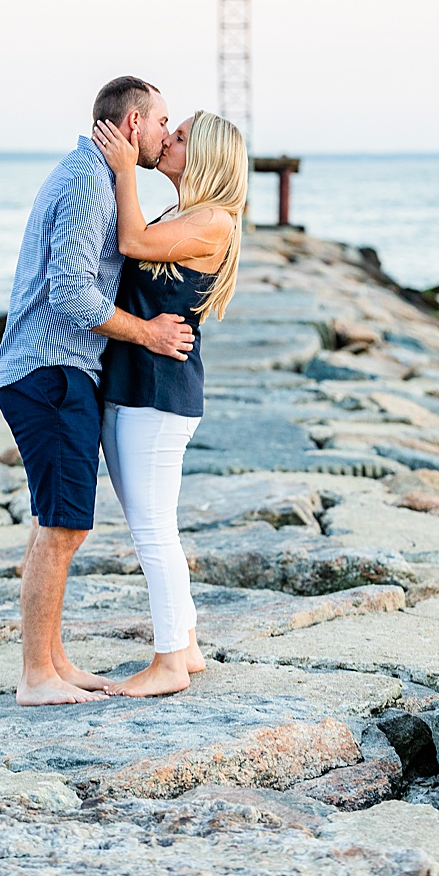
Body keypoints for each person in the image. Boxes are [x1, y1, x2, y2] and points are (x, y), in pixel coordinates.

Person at [0, 76, 194, 707]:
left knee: (63, 520)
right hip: (51, 368)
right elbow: (73, 295)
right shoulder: (87, 182)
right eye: (162, 122)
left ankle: (53, 661)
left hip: (57, 368)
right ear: (133, 124)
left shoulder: (97, 177)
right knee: (63, 524)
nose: (167, 133)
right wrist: (149, 334)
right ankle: (36, 676)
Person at [90, 110, 248, 697]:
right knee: (155, 528)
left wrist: (124, 170)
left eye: (180, 137)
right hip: (140, 386)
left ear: (204, 155)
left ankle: (168, 665)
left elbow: (130, 242)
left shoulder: (213, 222)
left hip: (157, 394)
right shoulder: (187, 216)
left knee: (153, 532)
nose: (167, 140)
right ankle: (187, 645)